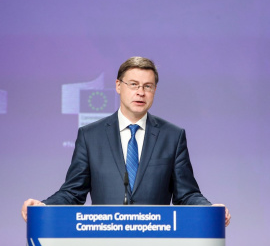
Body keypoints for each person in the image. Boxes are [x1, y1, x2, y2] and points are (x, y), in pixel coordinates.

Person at [21, 56, 231, 226]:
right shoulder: (90, 135)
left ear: (155, 91)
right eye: (133, 84)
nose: (141, 92)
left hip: (156, 243)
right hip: (104, 241)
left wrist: (209, 209)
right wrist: (44, 206)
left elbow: (186, 194)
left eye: (148, 86)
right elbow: (73, 192)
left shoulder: (172, 136)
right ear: (118, 86)